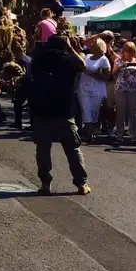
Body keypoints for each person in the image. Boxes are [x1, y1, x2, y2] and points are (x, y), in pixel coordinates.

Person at [30, 32, 90, 195]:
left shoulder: (39, 60)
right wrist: (71, 49)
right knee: (73, 149)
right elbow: (83, 65)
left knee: (42, 149)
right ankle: (81, 183)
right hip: (64, 111)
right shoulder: (68, 59)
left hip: (41, 111)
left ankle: (45, 183)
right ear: (65, 45)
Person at [77, 38, 111, 142]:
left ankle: (93, 130)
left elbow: (107, 77)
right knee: (85, 110)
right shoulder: (87, 57)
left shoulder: (104, 60)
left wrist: (92, 73)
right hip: (83, 88)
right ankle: (89, 134)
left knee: (94, 112)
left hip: (97, 89)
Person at [112, 41, 136, 142]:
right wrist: (123, 65)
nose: (129, 53)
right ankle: (119, 133)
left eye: (131, 51)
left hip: (133, 89)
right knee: (120, 112)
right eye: (127, 51)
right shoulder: (118, 61)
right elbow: (113, 73)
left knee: (132, 113)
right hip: (121, 88)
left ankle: (132, 134)